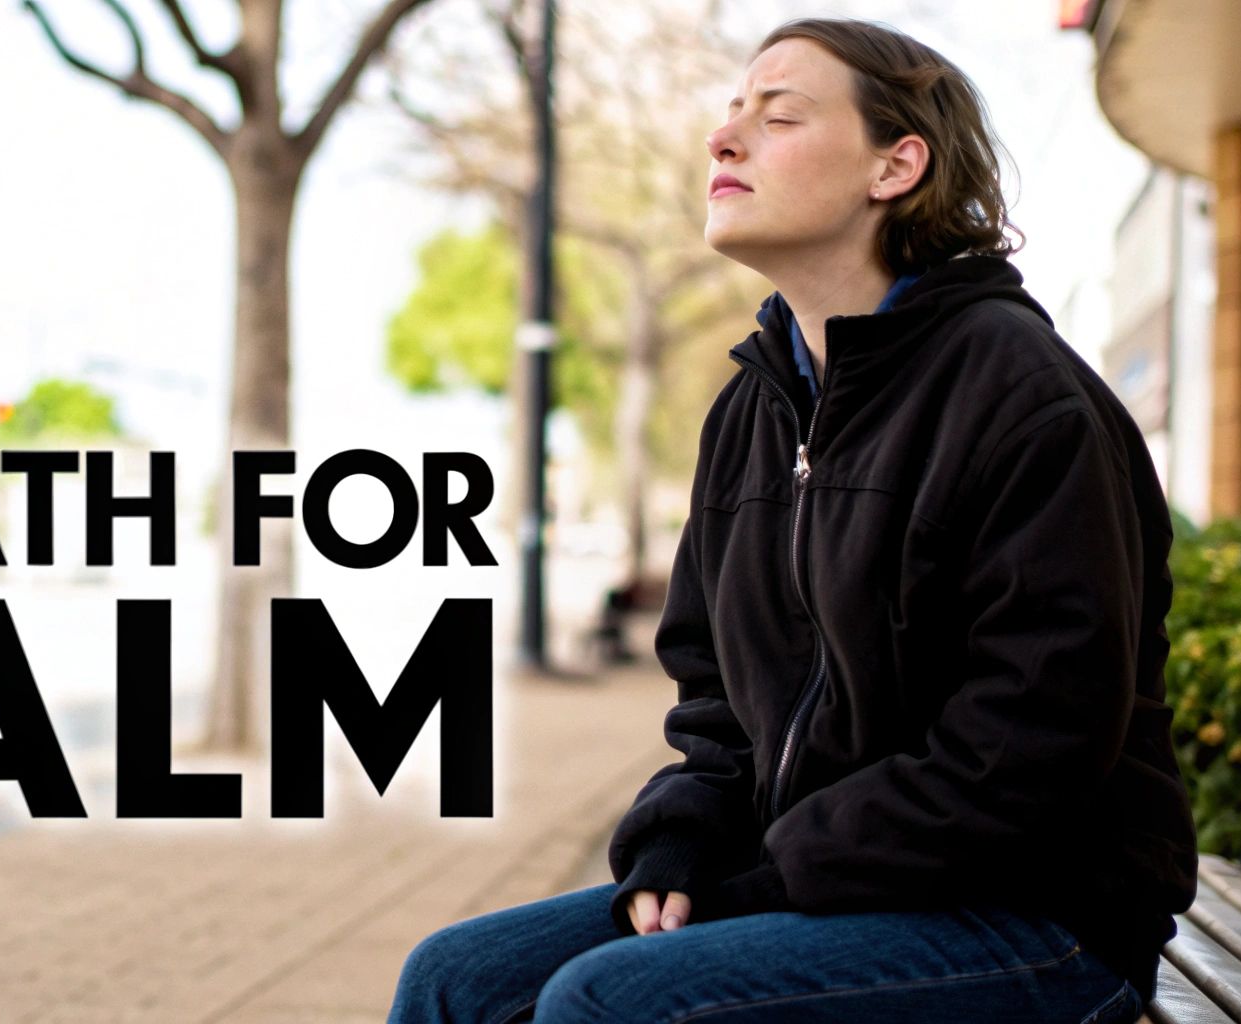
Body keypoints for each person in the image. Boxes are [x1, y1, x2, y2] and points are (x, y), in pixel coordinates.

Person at [388, 15, 1198, 1024]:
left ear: (895, 165)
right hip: (828, 878)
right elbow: (717, 698)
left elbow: (1026, 746)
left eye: (777, 118)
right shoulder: (755, 406)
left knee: (608, 1003)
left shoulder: (1018, 394)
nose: (722, 140)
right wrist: (682, 832)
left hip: (1039, 914)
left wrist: (777, 875)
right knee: (453, 976)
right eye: (730, 116)